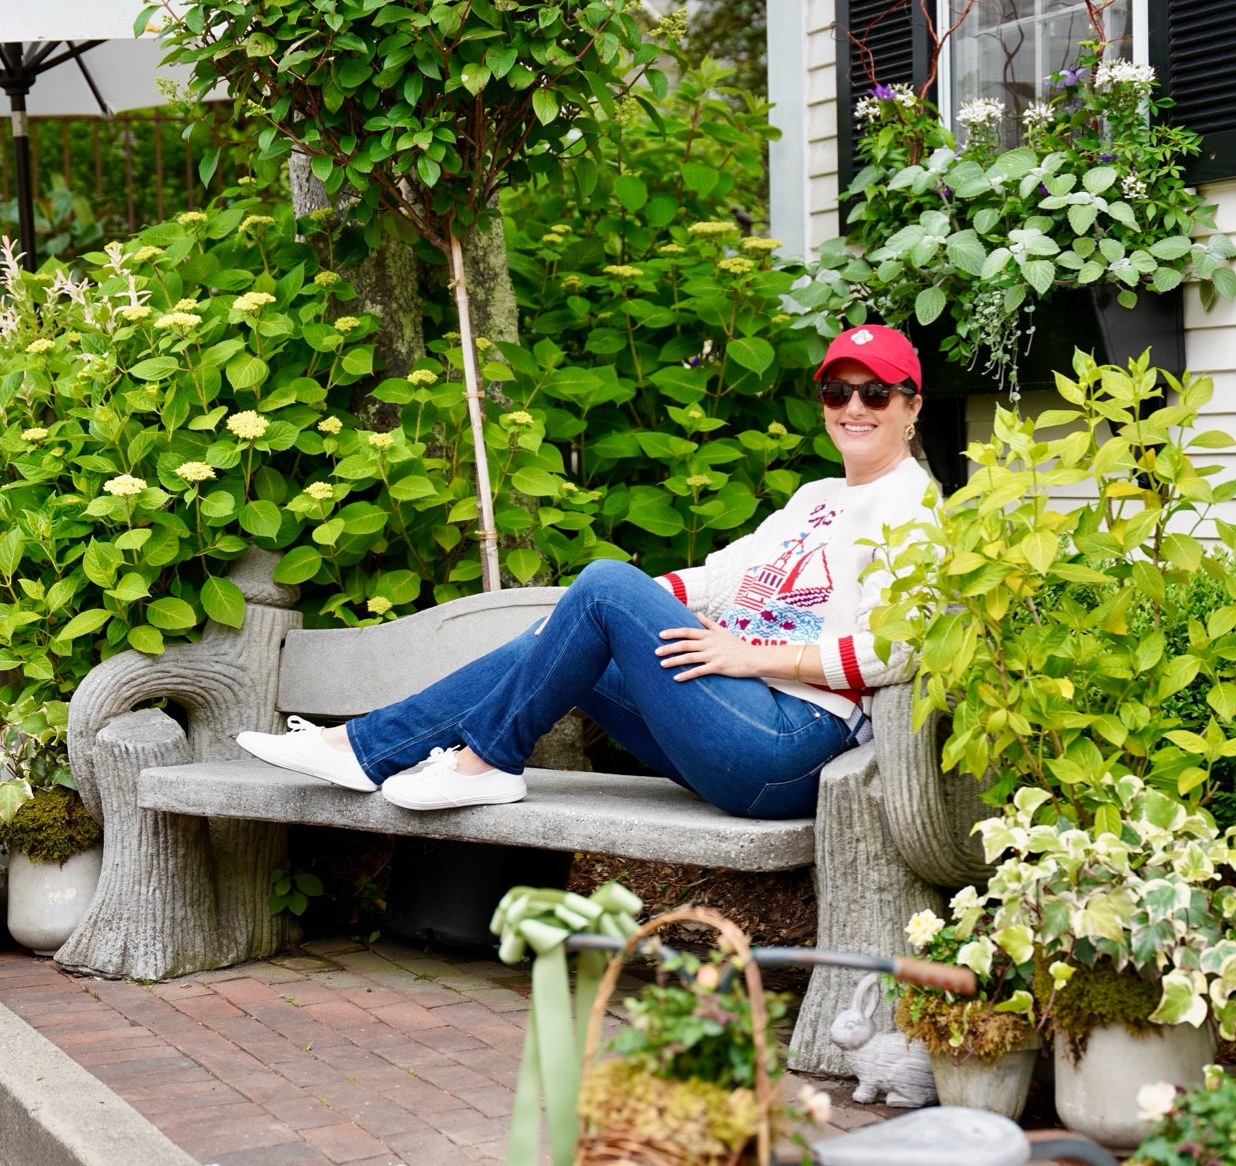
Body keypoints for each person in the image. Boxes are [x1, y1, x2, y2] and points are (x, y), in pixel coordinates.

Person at [236, 323, 936, 819]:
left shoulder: (916, 506)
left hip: (792, 747)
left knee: (602, 582)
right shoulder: (814, 498)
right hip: (733, 714)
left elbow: (897, 650)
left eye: (876, 394)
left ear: (911, 408)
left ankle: (475, 762)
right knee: (578, 626)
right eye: (837, 392)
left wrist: (753, 655)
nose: (853, 407)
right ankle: (364, 749)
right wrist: (610, 619)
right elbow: (723, 579)